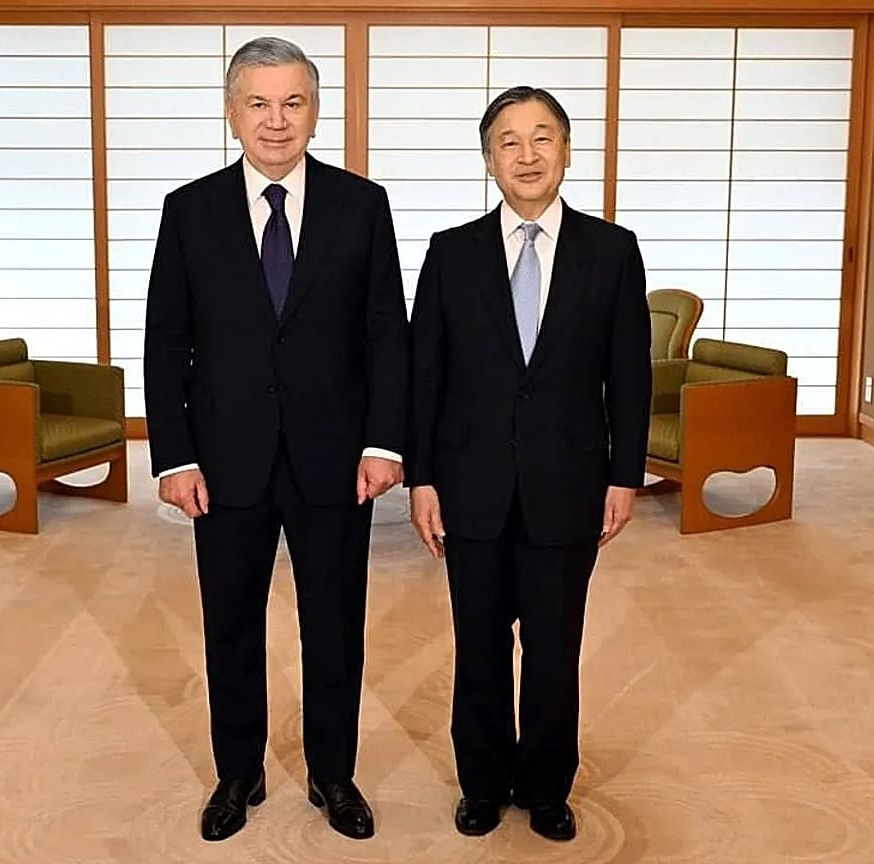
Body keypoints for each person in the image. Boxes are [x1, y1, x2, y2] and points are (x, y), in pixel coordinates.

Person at [144, 36, 407, 842]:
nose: (276, 120)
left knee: (335, 625)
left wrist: (384, 444)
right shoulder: (189, 210)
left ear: (315, 111)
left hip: (336, 457)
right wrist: (174, 456)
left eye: (293, 102)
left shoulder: (363, 205)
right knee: (230, 624)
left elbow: (386, 335)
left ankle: (333, 774)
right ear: (232, 113)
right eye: (258, 103)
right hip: (226, 461)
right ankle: (238, 772)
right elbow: (166, 342)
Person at [405, 86, 651, 842]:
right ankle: (481, 784)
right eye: (508, 141)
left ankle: (547, 788)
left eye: (542, 137)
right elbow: (425, 376)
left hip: (568, 484)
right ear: (488, 160)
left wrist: (625, 475)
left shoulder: (613, 251)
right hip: (470, 484)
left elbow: (629, 375)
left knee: (553, 648)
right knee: (479, 646)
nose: (527, 154)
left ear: (566, 151)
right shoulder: (451, 252)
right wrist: (421, 478)